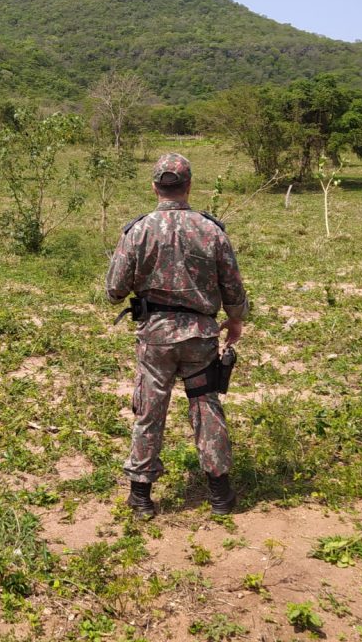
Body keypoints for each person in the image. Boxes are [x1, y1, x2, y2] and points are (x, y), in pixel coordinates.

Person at [106, 152, 249, 517]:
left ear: (155, 187)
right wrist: (235, 321)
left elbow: (114, 290)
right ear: (188, 186)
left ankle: (141, 497)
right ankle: (220, 494)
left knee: (149, 410)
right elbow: (232, 287)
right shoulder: (211, 230)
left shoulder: (137, 231)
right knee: (205, 406)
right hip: (200, 336)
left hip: (155, 337)